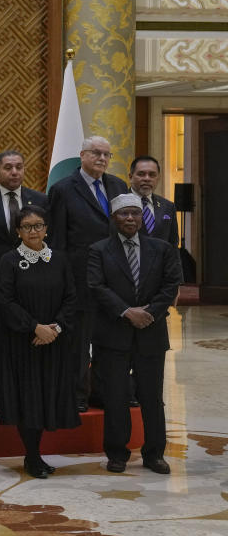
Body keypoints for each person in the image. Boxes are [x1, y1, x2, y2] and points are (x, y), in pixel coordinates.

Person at [88, 194, 182, 475]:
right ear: (114, 218)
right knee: (115, 396)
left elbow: (171, 284)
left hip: (151, 334)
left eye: (135, 214)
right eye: (124, 214)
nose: (130, 218)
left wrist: (149, 312)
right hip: (113, 335)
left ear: (142, 218)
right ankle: (117, 453)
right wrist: (128, 312)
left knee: (152, 397)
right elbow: (96, 286)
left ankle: (154, 454)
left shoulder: (162, 249)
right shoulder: (99, 250)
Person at [0, 205, 79, 478]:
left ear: (47, 228)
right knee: (28, 399)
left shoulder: (61, 259)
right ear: (18, 231)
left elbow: (71, 298)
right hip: (24, 342)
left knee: (46, 397)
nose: (34, 231)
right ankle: (32, 456)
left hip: (55, 340)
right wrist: (35, 327)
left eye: (39, 225)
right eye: (27, 226)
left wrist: (54, 328)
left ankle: (37, 454)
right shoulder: (9, 260)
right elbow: (5, 301)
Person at [48, 136, 127, 413]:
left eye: (107, 154)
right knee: (78, 344)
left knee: (108, 341)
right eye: (96, 153)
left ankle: (103, 391)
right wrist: (60, 281)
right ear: (82, 155)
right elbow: (57, 241)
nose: (102, 159)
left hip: (114, 280)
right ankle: (77, 394)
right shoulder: (63, 189)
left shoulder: (118, 186)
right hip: (78, 279)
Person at [0, 150, 48, 416]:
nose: (14, 172)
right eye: (8, 168)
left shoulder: (39, 200)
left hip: (30, 284)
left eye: (19, 167)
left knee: (27, 337)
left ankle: (25, 393)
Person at [129, 156, 178, 247]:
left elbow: (173, 245)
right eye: (141, 174)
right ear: (131, 177)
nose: (147, 179)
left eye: (152, 175)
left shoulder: (168, 206)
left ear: (158, 178)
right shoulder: (118, 204)